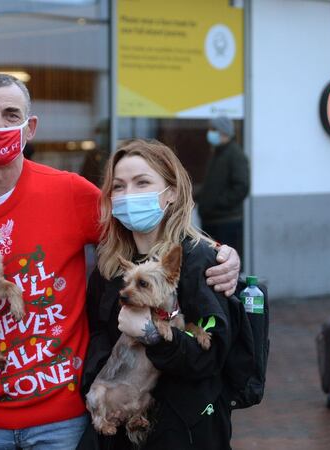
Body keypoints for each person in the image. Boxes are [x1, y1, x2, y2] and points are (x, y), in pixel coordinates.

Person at [0, 73, 240, 450]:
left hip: (63, 420)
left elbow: (144, 234)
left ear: (30, 127)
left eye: (11, 114)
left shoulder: (68, 192)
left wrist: (221, 253)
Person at [78, 139, 236, 449]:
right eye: (119, 186)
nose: (128, 194)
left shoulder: (200, 261)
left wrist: (153, 336)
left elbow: (212, 355)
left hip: (184, 431)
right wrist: (102, 386)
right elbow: (96, 334)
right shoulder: (109, 267)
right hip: (121, 430)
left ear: (172, 193)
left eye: (142, 182)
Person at [195, 116, 249, 260]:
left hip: (226, 223)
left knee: (224, 263)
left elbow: (241, 188)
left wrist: (216, 204)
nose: (209, 132)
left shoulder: (235, 155)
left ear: (223, 132)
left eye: (213, 129)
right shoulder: (218, 153)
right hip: (212, 221)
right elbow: (212, 186)